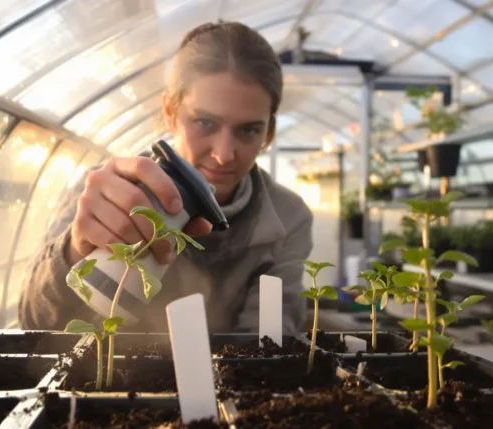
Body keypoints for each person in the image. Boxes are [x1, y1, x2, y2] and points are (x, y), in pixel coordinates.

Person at [19, 21, 313, 334]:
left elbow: (268, 343)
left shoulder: (286, 217)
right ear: (170, 112)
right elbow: (34, 322)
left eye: (249, 130)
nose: (224, 154)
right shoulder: (113, 190)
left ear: (268, 132)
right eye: (204, 122)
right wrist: (76, 248)